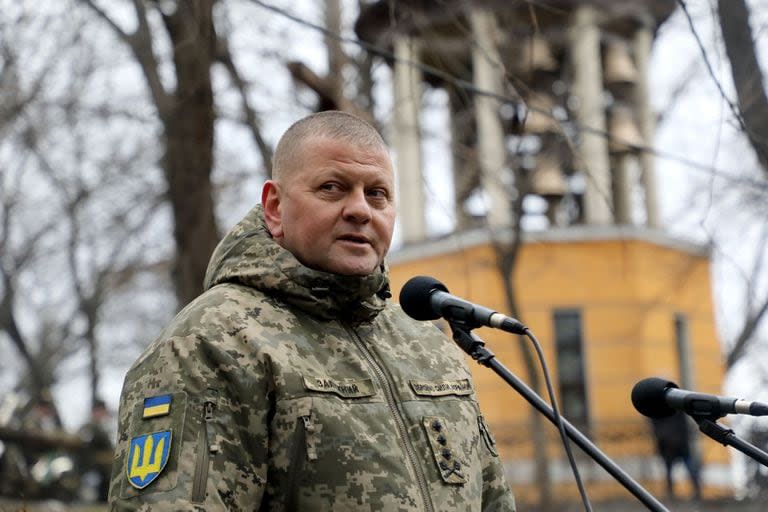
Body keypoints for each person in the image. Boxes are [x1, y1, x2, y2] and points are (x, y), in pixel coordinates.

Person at [107, 110, 515, 511]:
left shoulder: (427, 344)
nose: (360, 210)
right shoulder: (211, 341)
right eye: (333, 188)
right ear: (275, 207)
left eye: (377, 194)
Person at [650, 410, 702, 500]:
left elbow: (656, 427)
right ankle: (673, 493)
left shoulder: (660, 410)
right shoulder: (674, 407)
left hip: (676, 443)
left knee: (686, 467)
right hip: (672, 443)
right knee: (674, 469)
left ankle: (694, 492)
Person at [78, 399, 114, 502]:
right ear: (95, 412)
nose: (103, 414)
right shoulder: (89, 426)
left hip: (103, 470)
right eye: (100, 411)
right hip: (91, 468)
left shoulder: (104, 427)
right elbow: (84, 446)